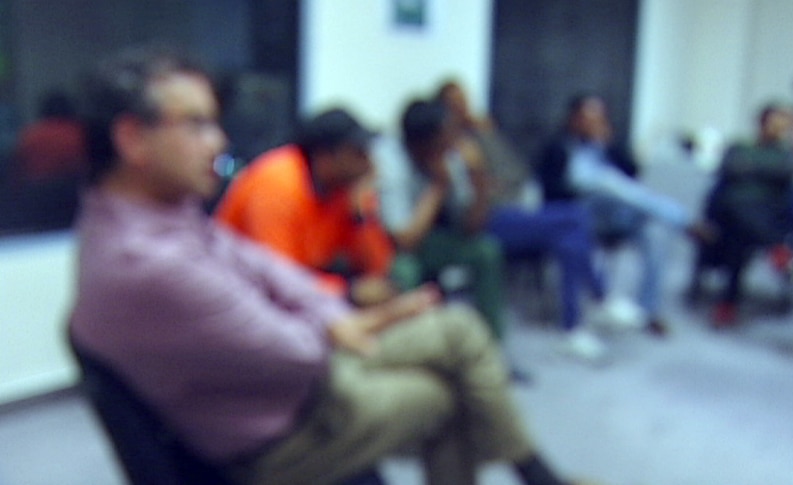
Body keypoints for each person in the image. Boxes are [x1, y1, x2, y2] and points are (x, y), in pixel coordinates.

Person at [67, 44, 599, 485]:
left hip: (294, 358)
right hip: (280, 421)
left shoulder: (163, 214)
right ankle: (539, 475)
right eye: (199, 124)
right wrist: (344, 319)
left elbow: (274, 272)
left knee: (459, 330)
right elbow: (296, 350)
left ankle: (536, 473)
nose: (220, 141)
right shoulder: (151, 258)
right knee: (450, 394)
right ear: (132, 139)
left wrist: (342, 302)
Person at [435, 80, 646, 363]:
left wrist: (490, 135)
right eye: (454, 104)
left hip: (513, 210)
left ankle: (572, 328)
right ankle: (599, 298)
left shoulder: (480, 135)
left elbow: (517, 172)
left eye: (465, 101)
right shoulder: (446, 146)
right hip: (488, 221)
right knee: (575, 217)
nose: (463, 109)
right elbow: (464, 200)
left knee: (569, 239)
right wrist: (486, 182)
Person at [535, 93, 711, 340]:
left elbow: (633, 178)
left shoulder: (609, 145)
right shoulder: (557, 146)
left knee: (655, 231)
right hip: (578, 215)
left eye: (599, 117)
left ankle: (645, 311)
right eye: (587, 117)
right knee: (608, 182)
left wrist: (609, 146)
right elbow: (550, 192)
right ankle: (682, 219)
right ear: (572, 119)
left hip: (615, 215)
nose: (593, 123)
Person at [215, 108, 397, 307]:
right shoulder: (278, 184)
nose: (370, 164)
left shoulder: (346, 192)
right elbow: (278, 282)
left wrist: (362, 215)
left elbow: (379, 270)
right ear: (325, 156)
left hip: (296, 293)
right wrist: (348, 292)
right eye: (358, 154)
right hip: (237, 295)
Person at [373, 97, 508, 342]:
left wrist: (478, 179)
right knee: (406, 270)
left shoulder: (449, 155)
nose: (454, 143)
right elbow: (405, 241)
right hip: (386, 246)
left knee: (486, 252)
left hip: (431, 239)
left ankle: (492, 348)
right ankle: (416, 352)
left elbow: (471, 228)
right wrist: (438, 186)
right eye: (446, 138)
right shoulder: (389, 161)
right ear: (422, 145)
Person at [687, 103, 793, 326]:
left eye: (782, 125)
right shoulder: (739, 147)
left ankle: (727, 303)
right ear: (762, 123)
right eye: (774, 123)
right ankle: (776, 248)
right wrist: (763, 171)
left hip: (759, 212)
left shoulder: (786, 154)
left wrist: (750, 169)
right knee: (736, 211)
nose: (778, 129)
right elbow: (728, 168)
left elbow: (784, 174)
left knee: (739, 238)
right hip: (728, 209)